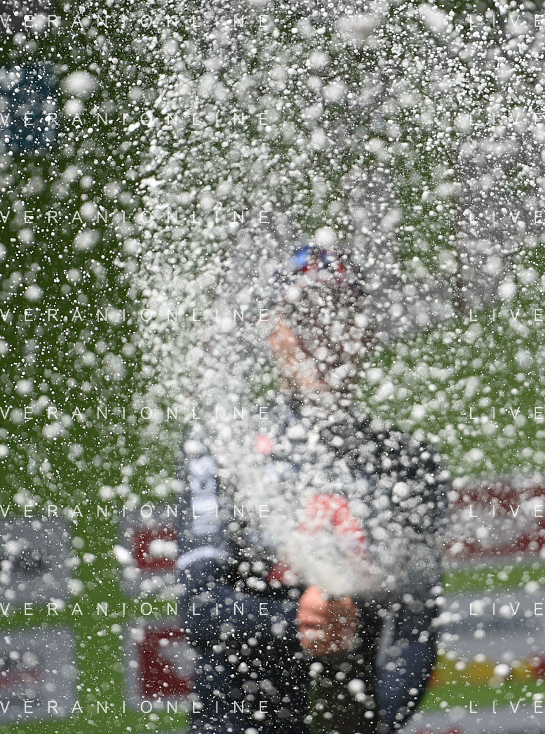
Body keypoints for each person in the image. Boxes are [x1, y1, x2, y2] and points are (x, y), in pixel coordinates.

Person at [175, 244, 448, 734]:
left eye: (340, 317)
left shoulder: (410, 463)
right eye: (304, 319)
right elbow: (199, 608)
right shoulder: (223, 444)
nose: (322, 338)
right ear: (274, 333)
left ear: (365, 335)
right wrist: (295, 621)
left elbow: (415, 633)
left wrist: (375, 726)